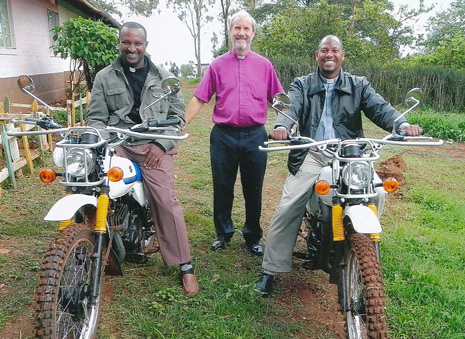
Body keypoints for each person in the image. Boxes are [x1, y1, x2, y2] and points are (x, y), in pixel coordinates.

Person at [256, 35, 422, 295]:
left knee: (376, 191)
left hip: (350, 154)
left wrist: (401, 125)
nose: (329, 55)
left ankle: (362, 243)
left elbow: (380, 108)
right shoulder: (302, 84)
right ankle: (271, 269)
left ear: (342, 55)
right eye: (324, 50)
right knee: (289, 206)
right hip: (314, 151)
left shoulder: (359, 85)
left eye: (334, 50)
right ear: (317, 55)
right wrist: (281, 126)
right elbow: (291, 108)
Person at [86, 22, 199, 297]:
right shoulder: (104, 76)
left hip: (153, 147)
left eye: (137, 43)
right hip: (119, 143)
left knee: (164, 199)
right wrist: (104, 141)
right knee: (93, 181)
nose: (132, 48)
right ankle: (88, 246)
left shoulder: (164, 78)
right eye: (127, 43)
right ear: (120, 42)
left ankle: (185, 265)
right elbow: (96, 117)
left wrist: (161, 144)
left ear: (146, 46)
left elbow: (178, 119)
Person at [185, 10, 284, 255]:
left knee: (254, 188)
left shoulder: (264, 65)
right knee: (222, 186)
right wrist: (182, 123)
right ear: (230, 32)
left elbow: (279, 100)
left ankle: (252, 236)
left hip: (255, 136)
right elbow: (199, 98)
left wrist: (286, 124)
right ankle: (224, 233)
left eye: (246, 29)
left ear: (253, 33)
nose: (241, 33)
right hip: (223, 136)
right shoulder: (217, 65)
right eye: (236, 28)